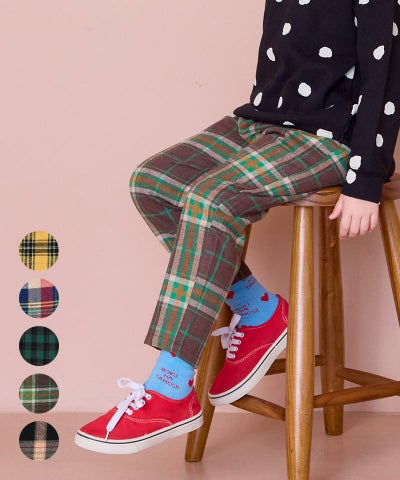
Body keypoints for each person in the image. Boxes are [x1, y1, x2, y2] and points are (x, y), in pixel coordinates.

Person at [75, 0, 399, 454]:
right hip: (259, 123)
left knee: (212, 199)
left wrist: (366, 179)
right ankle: (258, 308)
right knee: (151, 183)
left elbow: (386, 73)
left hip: (330, 138)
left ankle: (170, 386)